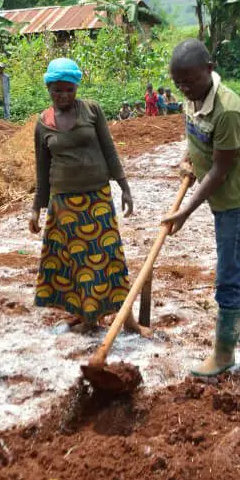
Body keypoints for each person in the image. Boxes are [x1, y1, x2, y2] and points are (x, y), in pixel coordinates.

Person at [160, 40, 240, 377]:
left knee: (228, 274)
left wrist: (185, 211)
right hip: (225, 201)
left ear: (209, 69)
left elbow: (220, 170)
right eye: (178, 83)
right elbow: (195, 133)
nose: (185, 89)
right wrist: (188, 157)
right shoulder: (193, 95)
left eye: (190, 81)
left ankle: (223, 355)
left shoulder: (227, 110)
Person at [29, 58, 142, 333]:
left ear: (76, 88)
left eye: (69, 89)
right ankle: (86, 316)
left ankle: (126, 319)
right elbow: (42, 170)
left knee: (109, 257)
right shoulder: (42, 124)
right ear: (48, 89)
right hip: (64, 203)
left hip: (97, 198)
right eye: (57, 90)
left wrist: (124, 187)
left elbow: (109, 149)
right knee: (76, 262)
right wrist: (36, 209)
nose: (63, 95)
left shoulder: (92, 110)